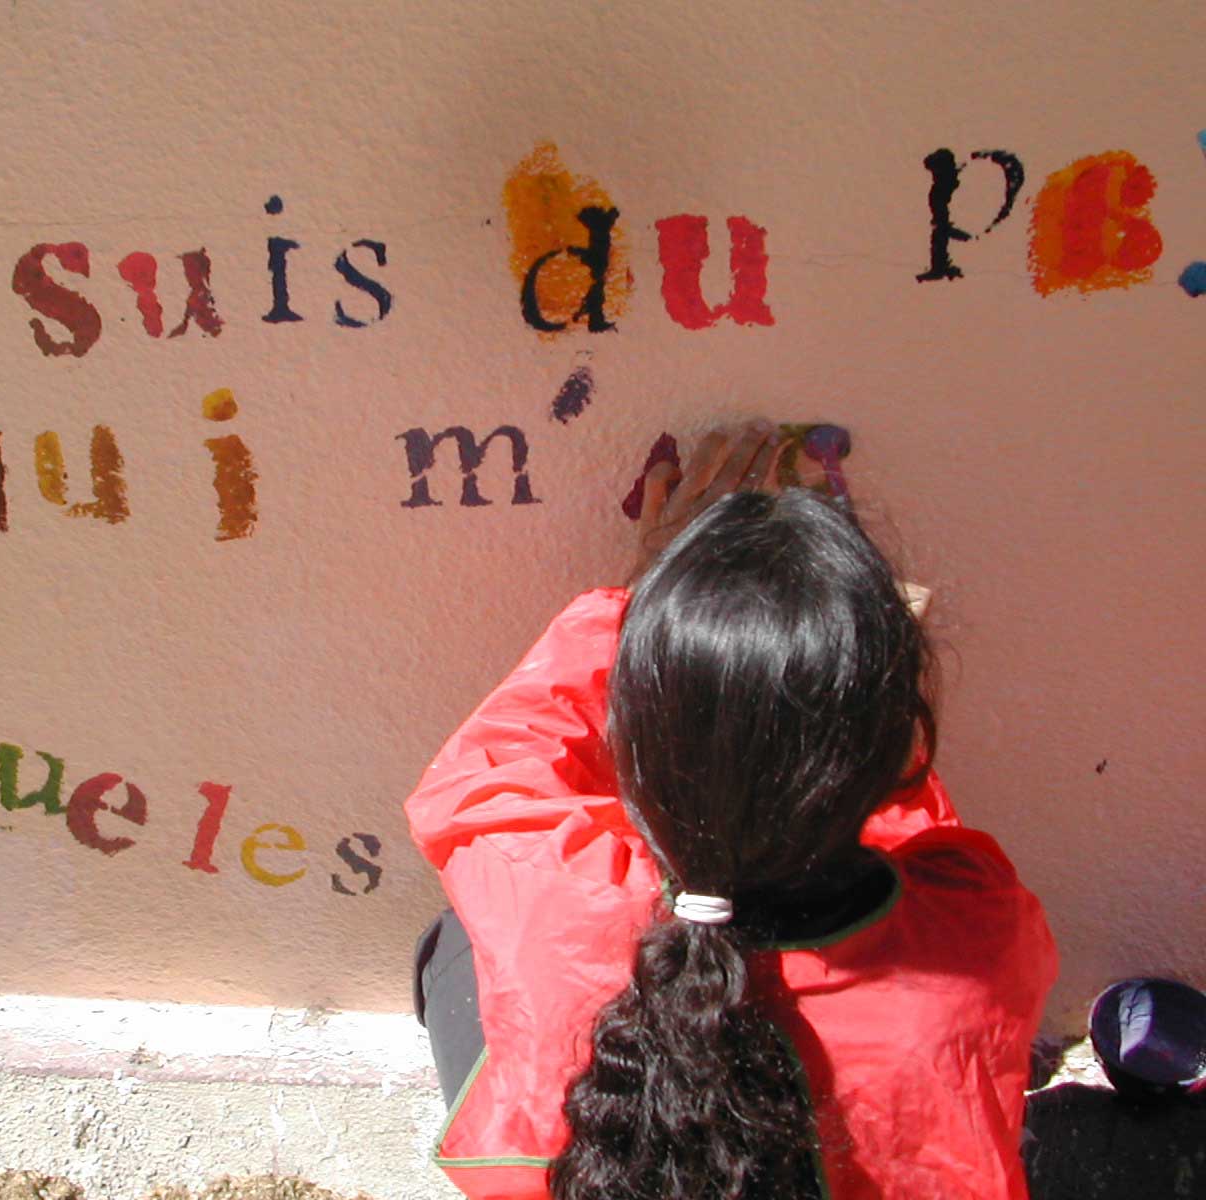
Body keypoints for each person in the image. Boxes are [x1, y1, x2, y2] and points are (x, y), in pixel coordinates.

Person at [405, 422, 1057, 1200]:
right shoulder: (978, 930)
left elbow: (489, 768)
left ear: (635, 740)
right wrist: (824, 665)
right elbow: (918, 825)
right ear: (895, 743)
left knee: (454, 941)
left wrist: (653, 604)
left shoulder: (558, 903)